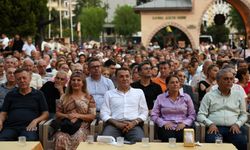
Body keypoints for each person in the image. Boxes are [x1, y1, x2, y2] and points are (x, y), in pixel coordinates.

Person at [197, 68, 248, 150]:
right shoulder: (209, 96)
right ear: (217, 81)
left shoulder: (238, 95)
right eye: (226, 79)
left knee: (241, 141)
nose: (229, 81)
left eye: (231, 79)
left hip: (233, 127)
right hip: (215, 127)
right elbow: (200, 115)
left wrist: (237, 124)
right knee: (212, 142)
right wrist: (210, 124)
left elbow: (244, 115)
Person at [100, 68, 148, 142]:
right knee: (105, 141)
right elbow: (103, 113)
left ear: (130, 78)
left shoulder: (139, 92)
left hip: (133, 125)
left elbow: (144, 112)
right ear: (116, 79)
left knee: (139, 142)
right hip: (114, 125)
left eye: (127, 76)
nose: (124, 79)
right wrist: (117, 124)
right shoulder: (109, 93)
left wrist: (133, 123)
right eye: (121, 76)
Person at [0, 68, 49, 141]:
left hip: (29, 127)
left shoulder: (38, 94)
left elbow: (46, 113)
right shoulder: (10, 95)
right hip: (11, 127)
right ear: (16, 81)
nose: (22, 81)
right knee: (2, 140)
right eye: (19, 79)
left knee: (29, 141)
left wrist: (35, 121)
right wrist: (0, 120)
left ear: (30, 78)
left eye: (24, 78)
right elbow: (3, 112)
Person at [55, 72, 96, 150]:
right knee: (60, 137)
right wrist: (67, 116)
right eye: (73, 80)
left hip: (82, 126)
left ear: (83, 83)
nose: (75, 82)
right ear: (70, 82)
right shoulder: (64, 97)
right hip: (66, 125)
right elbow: (57, 114)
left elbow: (92, 116)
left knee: (78, 137)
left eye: (78, 80)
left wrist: (78, 115)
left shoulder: (89, 97)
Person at [151, 75, 196, 142]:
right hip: (166, 126)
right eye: (172, 82)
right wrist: (163, 123)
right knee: (168, 137)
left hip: (183, 125)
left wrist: (184, 123)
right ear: (167, 85)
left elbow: (192, 114)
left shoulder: (186, 97)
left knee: (184, 137)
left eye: (177, 82)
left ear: (180, 85)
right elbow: (154, 115)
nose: (175, 84)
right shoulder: (160, 98)